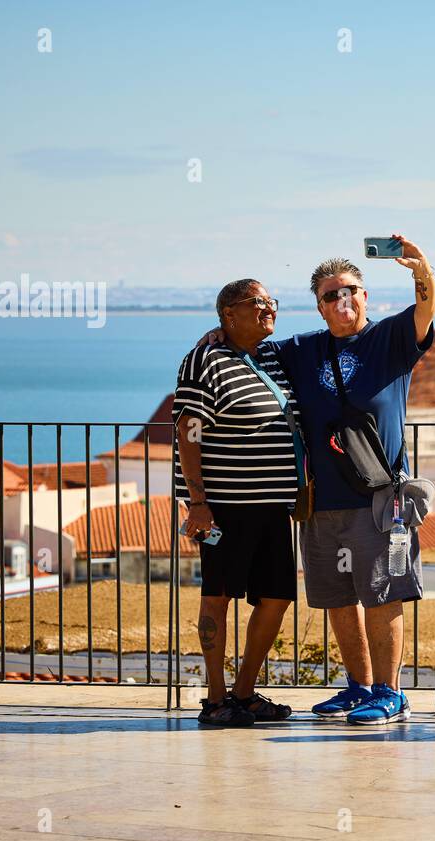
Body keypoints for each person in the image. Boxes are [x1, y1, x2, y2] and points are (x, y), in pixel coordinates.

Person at [264, 236, 435, 725]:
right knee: (338, 597)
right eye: (330, 294)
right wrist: (215, 336)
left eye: (352, 290)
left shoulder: (391, 339)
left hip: (380, 500)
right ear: (318, 306)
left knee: (384, 593)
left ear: (366, 297)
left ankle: (390, 691)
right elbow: (249, 349)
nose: (343, 300)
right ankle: (359, 687)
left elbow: (426, 307)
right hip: (322, 502)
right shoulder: (301, 350)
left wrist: (421, 269)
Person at [174, 280, 299, 726]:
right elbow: (189, 432)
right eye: (258, 303)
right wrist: (198, 503)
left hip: (272, 507)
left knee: (277, 596)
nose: (269, 309)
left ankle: (244, 693)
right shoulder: (204, 360)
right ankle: (215, 698)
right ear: (229, 314)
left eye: (272, 302)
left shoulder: (270, 357)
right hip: (224, 506)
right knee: (218, 596)